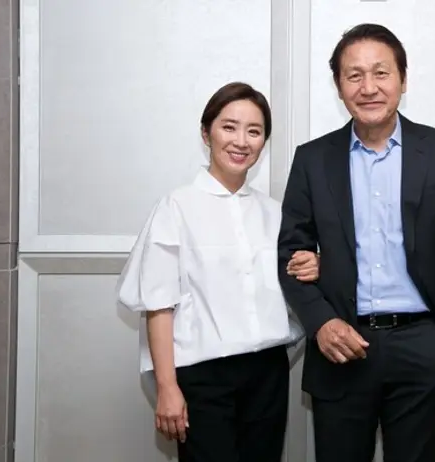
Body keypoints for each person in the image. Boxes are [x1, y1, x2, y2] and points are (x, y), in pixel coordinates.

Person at [278, 24, 435, 462]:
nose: (368, 87)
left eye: (381, 73)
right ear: (339, 86)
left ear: (403, 80)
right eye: (354, 75)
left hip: (422, 347)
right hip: (340, 345)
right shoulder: (312, 159)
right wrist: (321, 324)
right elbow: (290, 256)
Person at [116, 81, 320, 462]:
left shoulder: (275, 213)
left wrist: (314, 264)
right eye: (229, 127)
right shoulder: (176, 207)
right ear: (205, 132)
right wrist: (167, 387)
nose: (241, 141)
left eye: (254, 131)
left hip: (268, 373)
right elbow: (158, 305)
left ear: (263, 142)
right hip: (202, 377)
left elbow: (295, 284)